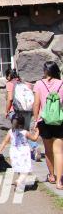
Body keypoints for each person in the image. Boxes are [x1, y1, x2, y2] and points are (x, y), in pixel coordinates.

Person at [32, 61, 63, 189]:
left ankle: (51, 176)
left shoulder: (39, 84)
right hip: (60, 120)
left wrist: (35, 120)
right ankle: (59, 182)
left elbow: (36, 104)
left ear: (46, 71)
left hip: (44, 121)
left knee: (48, 151)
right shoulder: (62, 83)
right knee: (59, 152)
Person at [0, 113, 40, 192]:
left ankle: (20, 187)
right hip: (24, 152)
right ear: (23, 123)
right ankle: (19, 181)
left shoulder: (10, 132)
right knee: (26, 170)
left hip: (14, 152)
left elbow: (5, 141)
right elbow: (34, 139)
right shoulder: (25, 132)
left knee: (20, 169)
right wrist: (37, 131)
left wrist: (0, 150)